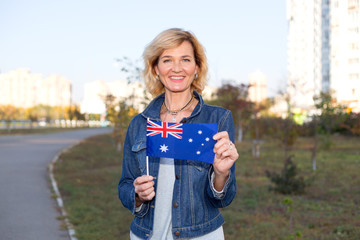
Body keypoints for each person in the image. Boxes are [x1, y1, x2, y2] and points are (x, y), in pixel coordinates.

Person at [118, 28, 239, 240]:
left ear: (197, 68)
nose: (176, 68)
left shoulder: (217, 119)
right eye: (167, 60)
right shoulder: (139, 124)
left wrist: (221, 174)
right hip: (146, 234)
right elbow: (125, 186)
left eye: (185, 59)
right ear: (155, 68)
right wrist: (136, 195)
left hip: (202, 235)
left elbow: (223, 199)